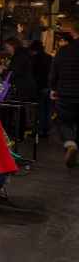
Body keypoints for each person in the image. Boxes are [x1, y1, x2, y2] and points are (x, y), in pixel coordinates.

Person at [49, 17, 79, 167]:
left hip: (65, 94)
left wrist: (53, 89)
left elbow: (54, 72)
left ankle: (70, 144)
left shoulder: (63, 51)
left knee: (64, 122)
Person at [0, 37, 37, 101]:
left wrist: (2, 71)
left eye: (7, 47)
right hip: (26, 89)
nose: (6, 49)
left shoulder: (19, 56)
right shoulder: (22, 54)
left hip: (23, 90)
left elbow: (14, 73)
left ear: (12, 46)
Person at [29, 40, 53, 137]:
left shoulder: (34, 59)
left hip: (39, 87)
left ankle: (39, 131)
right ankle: (46, 130)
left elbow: (32, 73)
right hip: (49, 86)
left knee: (40, 110)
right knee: (47, 109)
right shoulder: (49, 57)